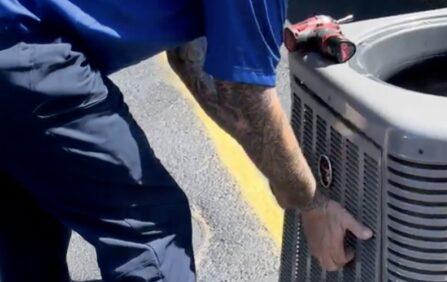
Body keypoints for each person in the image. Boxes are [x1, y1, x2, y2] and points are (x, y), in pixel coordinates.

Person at [0, 0, 371, 281]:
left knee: (30, 226)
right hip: (22, 48)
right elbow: (243, 94)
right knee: (151, 230)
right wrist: (312, 203)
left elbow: (190, 57)